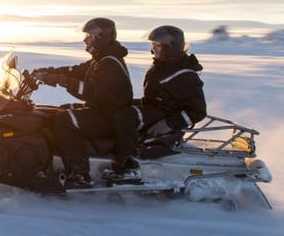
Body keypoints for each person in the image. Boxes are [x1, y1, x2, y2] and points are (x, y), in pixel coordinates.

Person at [33, 18, 133, 188]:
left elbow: (91, 92)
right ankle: (53, 161)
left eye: (89, 35)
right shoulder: (102, 58)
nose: (85, 39)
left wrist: (63, 81)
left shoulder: (110, 63)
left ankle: (79, 174)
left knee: (65, 120)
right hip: (103, 110)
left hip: (109, 116)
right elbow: (77, 70)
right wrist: (49, 72)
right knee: (59, 111)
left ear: (101, 37)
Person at [104, 25, 207, 183]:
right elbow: (154, 99)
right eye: (153, 45)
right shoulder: (162, 67)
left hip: (166, 116)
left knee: (126, 116)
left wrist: (169, 123)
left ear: (170, 47)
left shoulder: (185, 75)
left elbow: (198, 111)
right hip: (157, 110)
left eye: (157, 45)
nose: (153, 49)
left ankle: (130, 168)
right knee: (120, 107)